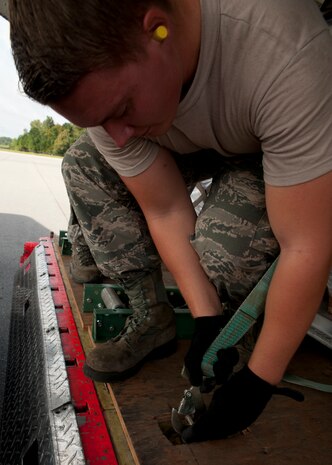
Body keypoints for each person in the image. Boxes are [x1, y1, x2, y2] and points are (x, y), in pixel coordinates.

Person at [8, 0, 332, 443]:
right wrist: (205, 318)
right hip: (191, 131)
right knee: (84, 162)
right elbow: (165, 208)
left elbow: (307, 244)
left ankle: (251, 333)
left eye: (119, 109)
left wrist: (260, 380)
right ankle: (154, 317)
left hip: (272, 139)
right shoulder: (121, 106)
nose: (116, 134)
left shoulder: (283, 51)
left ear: (157, 29)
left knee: (224, 253)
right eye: (100, 121)